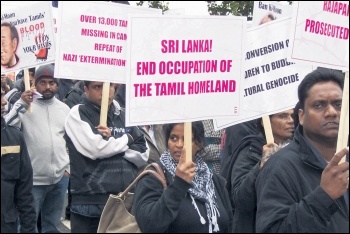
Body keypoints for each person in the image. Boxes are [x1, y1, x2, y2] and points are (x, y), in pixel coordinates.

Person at [255, 68, 349, 233]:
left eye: (338, 104)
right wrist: (324, 197)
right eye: (319, 105)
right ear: (302, 116)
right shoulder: (280, 167)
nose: (332, 112)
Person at [64, 80, 148, 233]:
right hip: (90, 203)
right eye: (97, 87)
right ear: (86, 89)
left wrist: (115, 143)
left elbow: (143, 153)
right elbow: (96, 149)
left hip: (124, 201)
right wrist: (128, 139)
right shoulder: (78, 113)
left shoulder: (125, 114)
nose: (104, 92)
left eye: (108, 86)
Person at [5, 64, 70, 233]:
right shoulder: (25, 105)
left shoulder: (64, 109)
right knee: (28, 226)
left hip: (59, 180)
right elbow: (6, 128)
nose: (47, 87)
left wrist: (67, 167)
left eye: (52, 82)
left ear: (57, 84)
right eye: (43, 82)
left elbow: (70, 140)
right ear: (34, 82)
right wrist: (22, 103)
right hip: (32, 182)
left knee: (53, 226)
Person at [134, 121, 233, 233]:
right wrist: (179, 183)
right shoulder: (153, 177)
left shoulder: (213, 181)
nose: (179, 144)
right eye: (173, 138)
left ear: (199, 143)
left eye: (186, 139)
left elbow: (228, 223)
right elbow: (149, 225)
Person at [229, 110, 294, 233]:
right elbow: (240, 199)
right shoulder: (250, 151)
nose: (291, 121)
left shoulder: (297, 151)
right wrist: (261, 165)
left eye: (292, 115)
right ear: (265, 122)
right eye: (283, 116)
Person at [1, 87, 36, 233]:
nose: (4, 102)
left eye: (2, 96)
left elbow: (24, 190)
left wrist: (28, 228)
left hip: (6, 224)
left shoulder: (14, 137)